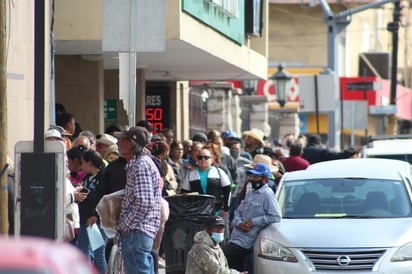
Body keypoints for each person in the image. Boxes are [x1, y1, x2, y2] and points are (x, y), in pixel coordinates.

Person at [115, 126, 161, 274]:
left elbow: (144, 202)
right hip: (138, 231)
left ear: (130, 143)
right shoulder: (139, 163)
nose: (118, 142)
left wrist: (125, 224)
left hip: (137, 231)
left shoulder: (141, 165)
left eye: (121, 139)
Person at [222, 163, 282, 273]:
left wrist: (253, 222)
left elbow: (276, 216)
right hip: (235, 237)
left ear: (264, 179)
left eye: (256, 177)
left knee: (221, 255)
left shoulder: (267, 194)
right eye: (252, 176)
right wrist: (240, 223)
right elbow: (238, 211)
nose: (252, 179)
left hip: (246, 242)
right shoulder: (250, 193)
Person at [77, 149, 107, 274]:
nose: (82, 166)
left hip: (97, 220)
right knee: (84, 254)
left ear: (90, 163)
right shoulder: (87, 177)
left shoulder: (104, 177)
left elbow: (103, 198)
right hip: (84, 219)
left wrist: (95, 215)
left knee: (98, 254)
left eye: (83, 163)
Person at [181, 146, 232, 216]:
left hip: (216, 211)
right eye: (200, 157)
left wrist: (225, 209)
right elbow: (184, 193)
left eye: (206, 157)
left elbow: (228, 191)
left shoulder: (219, 172)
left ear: (212, 159)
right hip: (197, 213)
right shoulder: (191, 174)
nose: (203, 159)